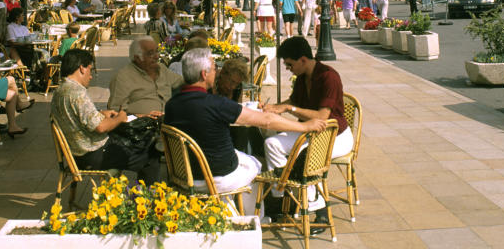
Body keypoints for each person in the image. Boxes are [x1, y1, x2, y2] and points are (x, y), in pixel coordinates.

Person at [164, 48, 326, 217]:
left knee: (242, 158)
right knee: (255, 165)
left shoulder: (171, 104)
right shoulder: (216, 104)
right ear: (204, 74)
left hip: (185, 175)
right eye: (213, 68)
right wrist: (306, 127)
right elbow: (267, 121)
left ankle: (228, 210)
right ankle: (256, 218)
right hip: (216, 177)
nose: (216, 71)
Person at [262, 37, 354, 225]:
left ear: (303, 60)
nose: (288, 68)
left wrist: (287, 109)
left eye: (289, 64)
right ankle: (282, 196)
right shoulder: (303, 77)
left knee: (305, 157)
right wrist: (274, 107)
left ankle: (318, 209)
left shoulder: (329, 76)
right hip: (312, 133)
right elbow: (293, 102)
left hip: (335, 136)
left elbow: (321, 116)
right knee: (271, 143)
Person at [50, 49, 133, 173]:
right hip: (92, 155)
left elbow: (77, 115)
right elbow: (101, 127)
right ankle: (149, 191)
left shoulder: (60, 90)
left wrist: (100, 113)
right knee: (146, 154)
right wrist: (120, 117)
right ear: (82, 68)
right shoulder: (77, 93)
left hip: (76, 154)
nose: (91, 76)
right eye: (90, 69)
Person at [107, 36, 183, 117]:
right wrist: (142, 116)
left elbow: (182, 81)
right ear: (137, 58)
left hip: (169, 122)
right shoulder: (122, 78)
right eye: (150, 54)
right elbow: (114, 114)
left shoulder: (161, 69)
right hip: (142, 127)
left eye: (157, 51)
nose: (157, 56)